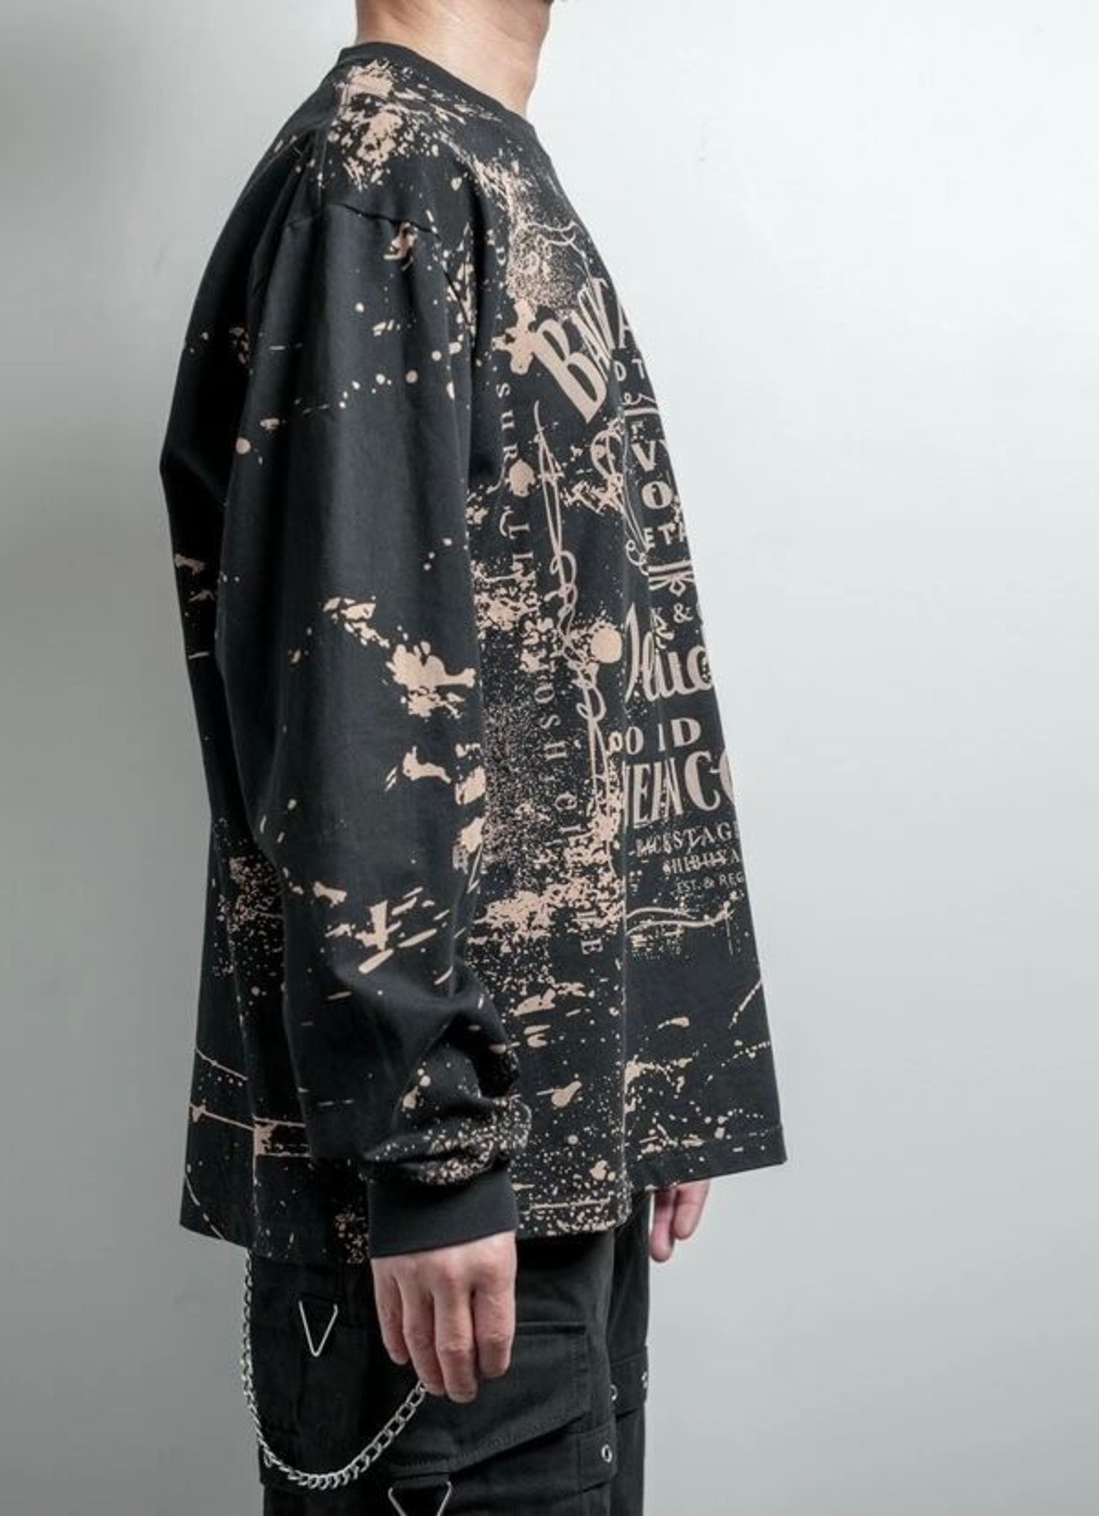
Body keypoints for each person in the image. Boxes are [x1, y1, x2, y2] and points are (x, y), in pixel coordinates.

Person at [158, 2, 787, 1510]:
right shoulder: (385, 177)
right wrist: (431, 1155)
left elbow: (580, 655)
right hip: (455, 1205)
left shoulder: (478, 164)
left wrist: (664, 1066)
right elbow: (356, 684)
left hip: (553, 1164)